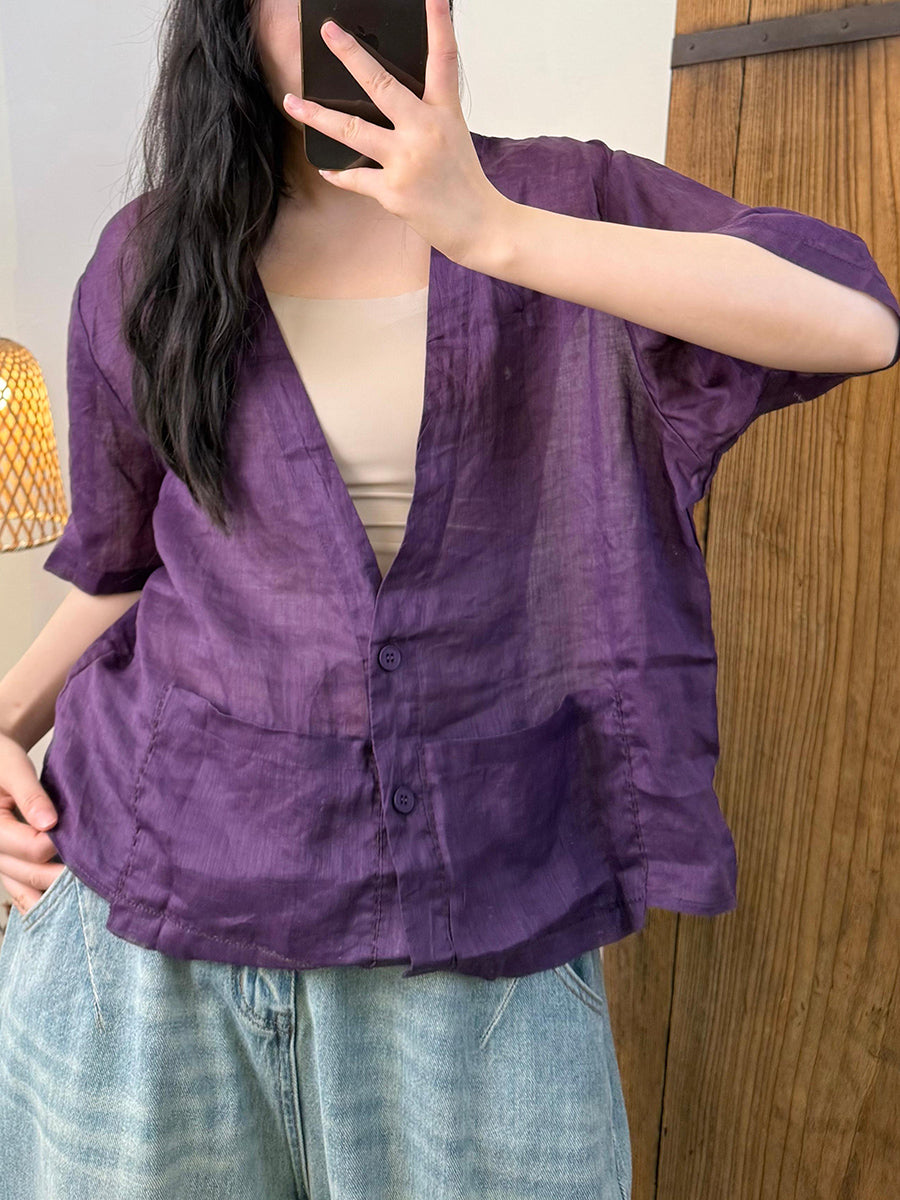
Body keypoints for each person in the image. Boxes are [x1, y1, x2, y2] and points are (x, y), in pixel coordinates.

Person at [1, 1, 898, 1197]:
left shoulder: (562, 198)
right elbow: (128, 562)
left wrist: (490, 230)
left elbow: (855, 321)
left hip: (480, 915)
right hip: (151, 910)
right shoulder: (152, 255)